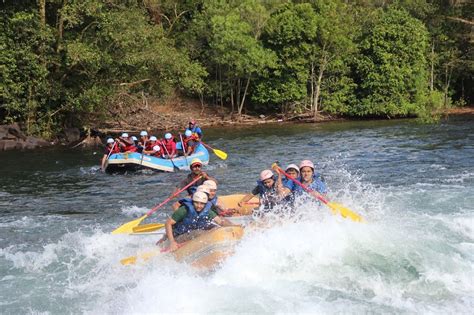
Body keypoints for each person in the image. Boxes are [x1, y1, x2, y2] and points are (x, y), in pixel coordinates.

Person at [164, 191, 234, 252]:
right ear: (193, 202)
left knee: (214, 228)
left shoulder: (207, 211)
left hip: (190, 233)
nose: (199, 206)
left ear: (205, 204)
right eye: (196, 203)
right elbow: (168, 223)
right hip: (179, 235)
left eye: (202, 203)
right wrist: (172, 242)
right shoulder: (184, 210)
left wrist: (233, 227)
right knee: (201, 233)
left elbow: (220, 222)